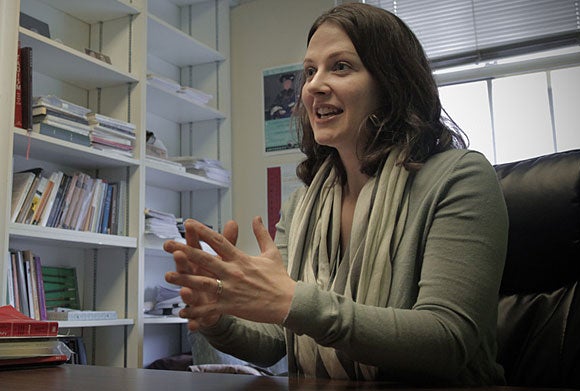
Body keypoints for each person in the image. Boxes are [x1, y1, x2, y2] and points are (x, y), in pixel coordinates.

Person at [163, 3, 509, 386]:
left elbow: (448, 339)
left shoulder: (461, 177)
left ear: (392, 81)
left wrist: (295, 302)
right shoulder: (302, 205)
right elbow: (279, 339)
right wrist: (218, 317)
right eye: (310, 71)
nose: (313, 86)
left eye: (340, 66)